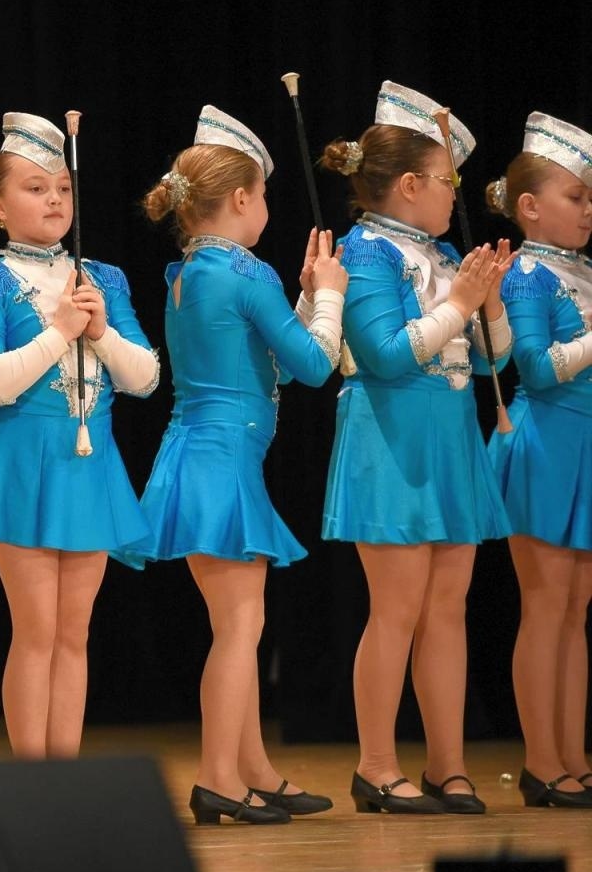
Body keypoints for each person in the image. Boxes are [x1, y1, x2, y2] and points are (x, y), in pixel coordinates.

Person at [130, 106, 344, 824]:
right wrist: (330, 296)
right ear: (245, 198)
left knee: (240, 625)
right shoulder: (246, 272)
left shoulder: (191, 272)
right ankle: (218, 777)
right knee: (239, 628)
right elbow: (313, 365)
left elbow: (262, 358)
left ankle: (254, 770)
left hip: (200, 457)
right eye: (266, 195)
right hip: (217, 462)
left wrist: (306, 297)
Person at [319, 81, 514, 815]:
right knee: (396, 609)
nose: (452, 194)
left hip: (449, 439)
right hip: (391, 439)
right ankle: (375, 765)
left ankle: (447, 765)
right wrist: (460, 304)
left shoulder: (446, 254)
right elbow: (385, 353)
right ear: (408, 184)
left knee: (447, 609)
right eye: (446, 180)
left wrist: (489, 304)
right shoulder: (366, 252)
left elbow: (494, 359)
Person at [0, 111, 159, 759]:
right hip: (24, 464)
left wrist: (100, 331)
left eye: (63, 188)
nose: (53, 199)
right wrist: (60, 331)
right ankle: (31, 778)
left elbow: (146, 378)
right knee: (37, 630)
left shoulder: (104, 279)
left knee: (75, 633)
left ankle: (64, 775)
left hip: (90, 464)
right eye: (35, 187)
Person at [483, 112, 592, 808]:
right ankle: (542, 762)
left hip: (583, 444)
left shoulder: (583, 272)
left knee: (576, 609)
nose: (588, 211)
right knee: (547, 606)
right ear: (529, 207)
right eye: (576, 197)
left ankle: (573, 756)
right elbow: (536, 367)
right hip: (544, 442)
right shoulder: (527, 274)